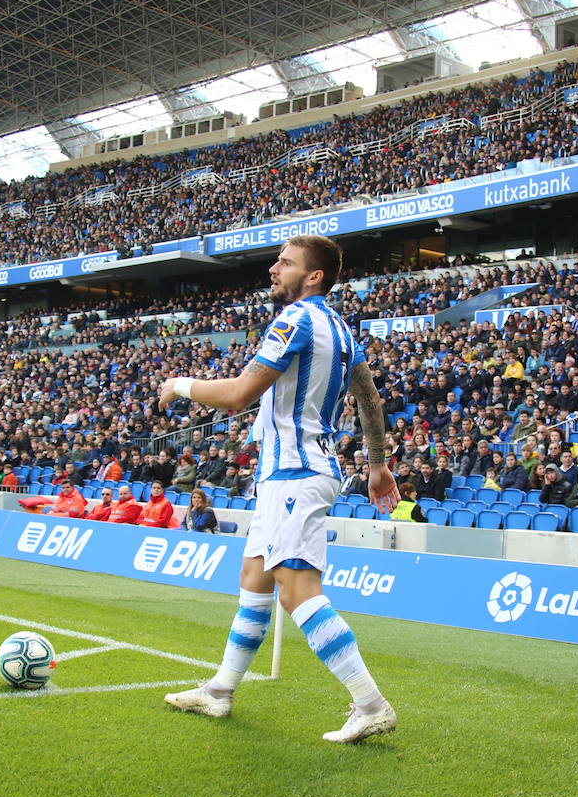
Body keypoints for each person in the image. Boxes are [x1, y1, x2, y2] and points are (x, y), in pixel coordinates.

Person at [158, 236, 400, 744]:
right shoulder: (339, 327)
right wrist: (377, 464)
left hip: (296, 471)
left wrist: (180, 384)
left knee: (297, 591)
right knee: (254, 578)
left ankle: (370, 703)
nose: (273, 269)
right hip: (287, 473)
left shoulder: (295, 320)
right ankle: (220, 691)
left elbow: (239, 395)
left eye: (285, 262)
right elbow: (369, 397)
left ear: (313, 276)